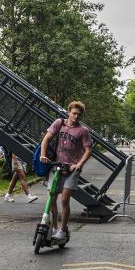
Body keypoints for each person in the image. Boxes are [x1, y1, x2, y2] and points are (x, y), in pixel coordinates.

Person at [39, 101, 93, 241]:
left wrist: (79, 164)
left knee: (64, 199)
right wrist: (43, 155)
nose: (76, 116)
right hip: (57, 165)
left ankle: (63, 230)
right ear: (68, 112)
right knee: (52, 198)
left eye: (79, 115)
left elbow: (88, 150)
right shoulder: (59, 123)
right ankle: (55, 228)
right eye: (74, 113)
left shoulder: (83, 130)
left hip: (72, 169)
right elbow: (46, 139)